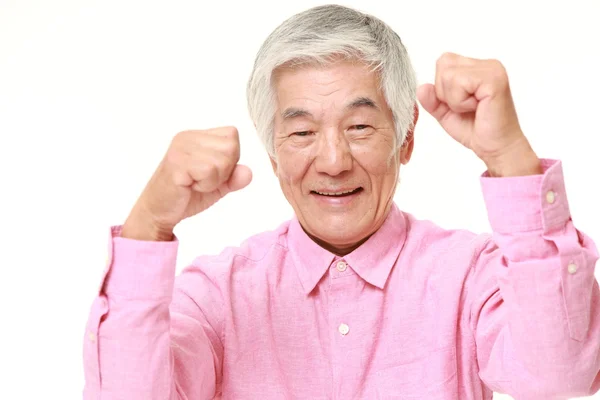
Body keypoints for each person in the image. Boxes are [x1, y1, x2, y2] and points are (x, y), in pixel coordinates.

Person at [82, 4, 600, 399]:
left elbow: (560, 373)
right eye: (302, 131)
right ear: (273, 152)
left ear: (406, 138)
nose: (333, 160)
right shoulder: (217, 295)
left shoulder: (470, 276)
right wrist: (147, 224)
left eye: (359, 126)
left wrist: (509, 153)